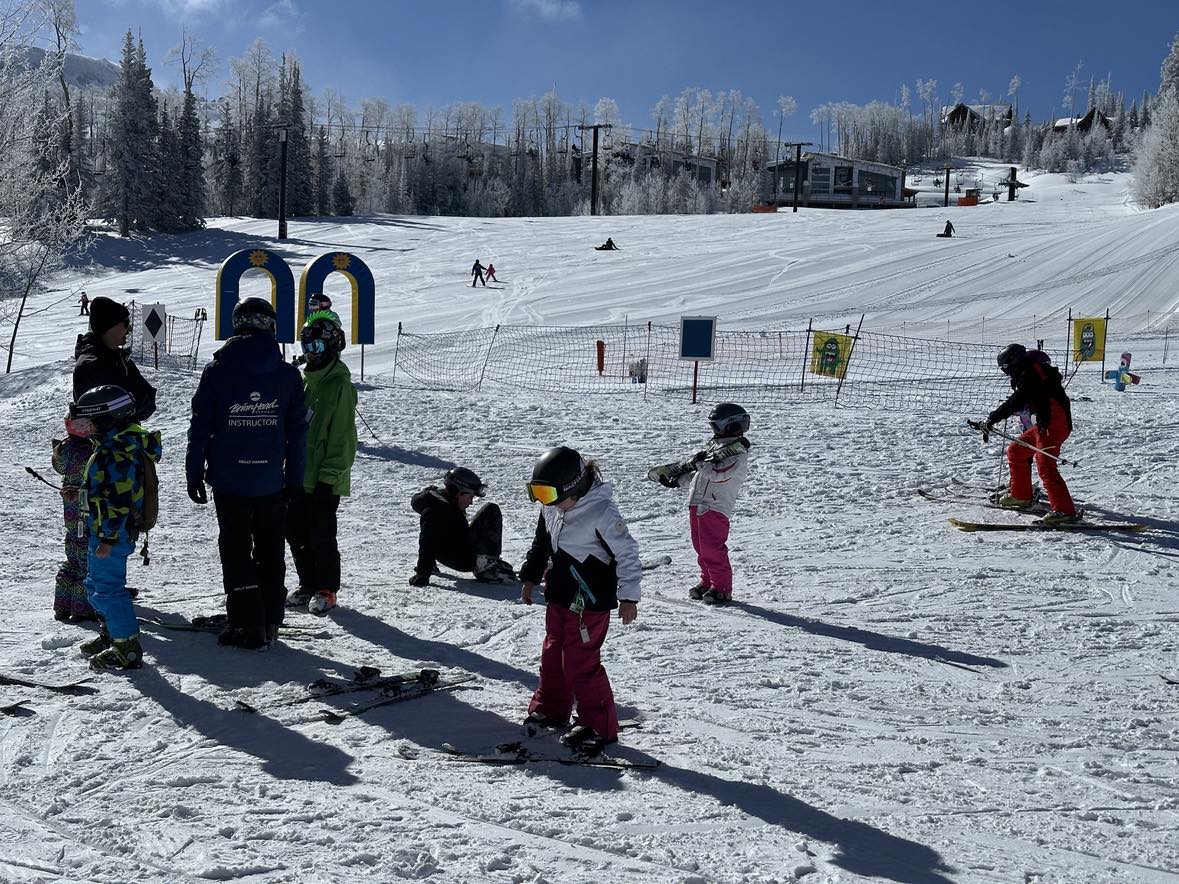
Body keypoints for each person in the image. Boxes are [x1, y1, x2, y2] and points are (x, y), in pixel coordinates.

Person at [186, 298, 307, 648]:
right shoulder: (287, 375)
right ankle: (270, 617)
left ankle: (247, 623)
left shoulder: (218, 370)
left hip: (229, 479)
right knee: (271, 547)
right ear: (270, 326)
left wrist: (194, 471)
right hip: (271, 478)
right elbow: (298, 433)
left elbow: (201, 426)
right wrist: (296, 479)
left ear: (237, 325)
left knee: (236, 548)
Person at [520, 446, 641, 757]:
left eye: (549, 494)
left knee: (581, 662)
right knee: (552, 654)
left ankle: (598, 724)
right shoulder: (552, 507)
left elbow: (627, 554)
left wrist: (628, 597)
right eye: (539, 494)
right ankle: (552, 709)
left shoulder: (602, 513)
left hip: (590, 602)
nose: (546, 502)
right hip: (559, 595)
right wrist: (530, 576)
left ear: (573, 487)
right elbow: (542, 543)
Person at [56, 297, 156, 623]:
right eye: (122, 324)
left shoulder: (116, 357)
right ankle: (88, 602)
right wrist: (128, 409)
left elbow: (144, 397)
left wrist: (130, 407)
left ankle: (96, 593)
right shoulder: (91, 363)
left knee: (105, 528)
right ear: (105, 327)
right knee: (89, 532)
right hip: (93, 455)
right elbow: (105, 410)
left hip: (112, 448)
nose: (128, 330)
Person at [72, 385, 162, 671]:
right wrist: (82, 491)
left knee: (108, 590)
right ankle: (112, 633)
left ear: (110, 418)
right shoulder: (113, 446)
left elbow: (118, 499)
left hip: (111, 534)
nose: (87, 430)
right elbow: (107, 490)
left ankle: (127, 647)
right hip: (103, 529)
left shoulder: (118, 452)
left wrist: (108, 539)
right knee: (93, 586)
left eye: (90, 423)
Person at [284, 312, 357, 616]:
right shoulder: (307, 382)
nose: (310, 354)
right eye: (306, 347)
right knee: (294, 530)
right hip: (299, 475)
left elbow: (342, 437)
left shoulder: (337, 385)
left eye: (316, 347)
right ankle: (307, 582)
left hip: (324, 478)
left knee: (321, 534)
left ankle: (327, 588)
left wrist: (329, 477)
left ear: (331, 347)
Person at [661, 403, 751, 605]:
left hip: (715, 507)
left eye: (717, 426)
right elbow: (700, 477)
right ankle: (708, 581)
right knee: (701, 548)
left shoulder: (737, 453)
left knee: (713, 548)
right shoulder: (716, 448)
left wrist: (700, 463)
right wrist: (679, 480)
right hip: (698, 504)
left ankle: (722, 588)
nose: (715, 431)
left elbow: (720, 475)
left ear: (730, 425)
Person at [982, 343, 1077, 524]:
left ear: (1012, 363)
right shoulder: (1029, 372)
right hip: (1044, 422)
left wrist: (993, 418)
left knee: (1046, 466)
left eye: (1004, 368)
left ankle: (1065, 512)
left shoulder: (1030, 374)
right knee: (1016, 450)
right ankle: (1021, 495)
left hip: (1053, 423)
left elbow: (1017, 400)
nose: (1005, 372)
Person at [408, 467, 516, 586]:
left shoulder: (445, 503)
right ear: (459, 493)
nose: (471, 502)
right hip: (460, 559)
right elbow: (427, 541)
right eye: (470, 497)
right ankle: (486, 568)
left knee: (489, 509)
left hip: (456, 551)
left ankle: (486, 562)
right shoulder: (436, 510)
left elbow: (437, 535)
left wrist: (431, 563)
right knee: (491, 510)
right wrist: (422, 574)